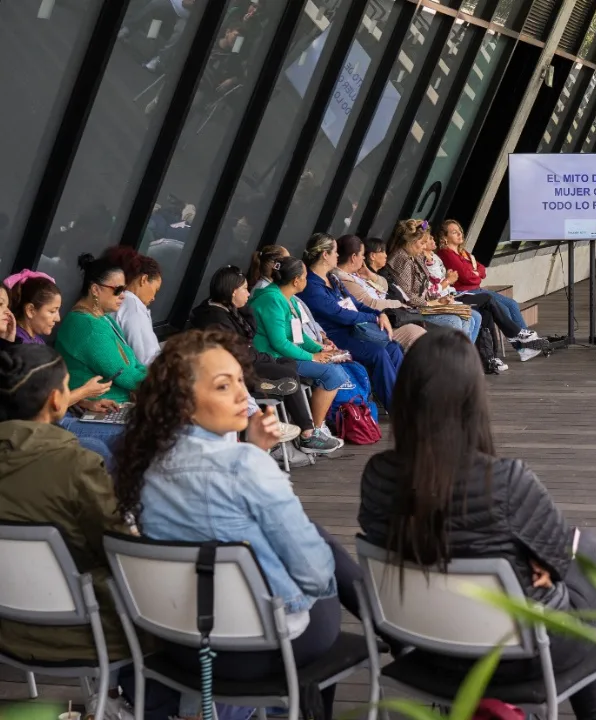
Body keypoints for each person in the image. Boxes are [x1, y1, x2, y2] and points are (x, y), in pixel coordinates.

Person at [113, 329, 365, 720]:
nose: (242, 397)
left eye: (239, 382)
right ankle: (388, 628)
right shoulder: (245, 466)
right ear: (183, 402)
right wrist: (258, 460)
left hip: (180, 642)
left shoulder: (143, 465)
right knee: (320, 563)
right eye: (222, 386)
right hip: (259, 647)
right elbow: (314, 577)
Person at [359, 330, 596, 720]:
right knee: (588, 552)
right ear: (472, 400)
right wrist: (546, 563)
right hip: (519, 655)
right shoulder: (506, 480)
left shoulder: (376, 476)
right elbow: (562, 557)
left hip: (428, 647)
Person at [0, 344, 134, 663]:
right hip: (84, 632)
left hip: (7, 630)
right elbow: (120, 548)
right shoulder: (75, 466)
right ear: (57, 399)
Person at [191, 265, 342, 454]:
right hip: (237, 371)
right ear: (231, 292)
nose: (248, 293)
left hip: (251, 360)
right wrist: (268, 358)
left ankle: (280, 400)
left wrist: (245, 309)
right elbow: (238, 354)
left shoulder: (230, 309)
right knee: (288, 374)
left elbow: (249, 337)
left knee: (289, 367)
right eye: (244, 289)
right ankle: (306, 433)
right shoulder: (214, 319)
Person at [7, 271, 123, 459]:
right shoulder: (22, 351)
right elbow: (41, 408)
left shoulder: (35, 340)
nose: (58, 318)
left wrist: (86, 403)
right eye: (52, 311)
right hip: (51, 425)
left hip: (66, 415)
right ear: (30, 310)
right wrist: (85, 391)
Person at [249, 256, 351, 449]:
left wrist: (319, 348)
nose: (307, 280)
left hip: (287, 354)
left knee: (335, 366)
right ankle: (313, 433)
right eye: (305, 276)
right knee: (333, 374)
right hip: (274, 358)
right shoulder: (272, 299)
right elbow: (279, 343)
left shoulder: (289, 299)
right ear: (296, 280)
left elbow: (299, 335)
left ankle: (313, 429)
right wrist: (312, 357)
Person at [383, 220, 507, 373]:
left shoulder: (415, 256)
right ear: (411, 241)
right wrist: (432, 303)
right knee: (455, 321)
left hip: (429, 302)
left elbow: (425, 288)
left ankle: (462, 364)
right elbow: (409, 296)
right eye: (421, 243)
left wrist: (438, 300)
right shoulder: (402, 260)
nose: (423, 247)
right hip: (415, 309)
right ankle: (454, 368)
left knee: (473, 316)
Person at [297, 233, 404, 408]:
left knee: (393, 347)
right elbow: (339, 314)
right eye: (335, 252)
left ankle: (406, 398)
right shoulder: (311, 286)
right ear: (325, 255)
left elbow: (356, 304)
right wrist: (374, 317)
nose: (338, 256)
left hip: (354, 331)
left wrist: (379, 313)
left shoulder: (333, 278)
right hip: (335, 336)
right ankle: (398, 409)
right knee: (377, 353)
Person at [436, 219, 545, 352]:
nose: (459, 234)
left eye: (460, 231)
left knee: (512, 304)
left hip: (477, 289)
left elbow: (482, 269)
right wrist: (475, 275)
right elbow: (466, 277)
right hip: (463, 292)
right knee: (503, 309)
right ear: (445, 237)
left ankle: (527, 344)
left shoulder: (462, 253)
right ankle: (524, 348)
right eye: (454, 232)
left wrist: (475, 274)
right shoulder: (446, 254)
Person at [54, 254, 149, 404]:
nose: (123, 296)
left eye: (124, 289)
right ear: (95, 290)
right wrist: (165, 378)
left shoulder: (102, 318)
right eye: (117, 290)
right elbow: (128, 377)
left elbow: (134, 363)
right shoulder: (89, 327)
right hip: (99, 408)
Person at [331, 234, 427, 352]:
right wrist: (397, 304)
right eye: (362, 255)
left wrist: (371, 276)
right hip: (376, 322)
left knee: (423, 333)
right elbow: (370, 304)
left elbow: (385, 286)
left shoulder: (357, 273)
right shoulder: (344, 280)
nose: (364, 258)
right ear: (354, 257)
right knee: (419, 337)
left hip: (386, 316)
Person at [101, 246, 164, 365]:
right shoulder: (132, 305)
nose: (153, 297)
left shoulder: (112, 299)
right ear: (144, 279)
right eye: (156, 289)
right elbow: (147, 358)